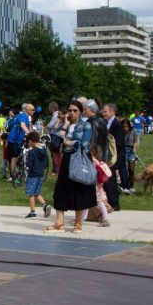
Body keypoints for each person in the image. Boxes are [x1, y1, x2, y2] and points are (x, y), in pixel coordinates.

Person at [44, 100, 96, 234]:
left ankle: (78, 223)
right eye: (70, 110)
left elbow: (83, 144)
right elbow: (54, 143)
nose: (72, 113)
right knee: (60, 191)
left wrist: (67, 141)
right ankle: (59, 223)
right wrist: (64, 127)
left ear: (80, 112)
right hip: (66, 160)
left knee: (79, 190)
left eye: (75, 110)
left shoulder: (86, 125)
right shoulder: (64, 124)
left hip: (79, 159)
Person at [24, 132, 50, 219]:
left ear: (31, 141)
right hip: (40, 174)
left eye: (28, 142)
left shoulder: (32, 152)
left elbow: (29, 165)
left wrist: (27, 160)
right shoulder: (44, 149)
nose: (28, 144)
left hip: (32, 175)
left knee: (30, 193)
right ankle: (45, 206)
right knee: (36, 192)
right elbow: (46, 163)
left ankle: (32, 212)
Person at [7, 103, 32, 183]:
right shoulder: (22, 116)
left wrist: (34, 135)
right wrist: (30, 135)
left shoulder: (26, 117)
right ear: (25, 110)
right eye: (32, 109)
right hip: (14, 140)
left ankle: (17, 175)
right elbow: (23, 125)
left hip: (18, 140)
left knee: (19, 158)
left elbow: (29, 127)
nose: (33, 111)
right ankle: (13, 177)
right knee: (14, 159)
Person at [122, 117, 139, 194]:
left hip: (131, 151)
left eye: (126, 126)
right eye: (124, 127)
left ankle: (131, 186)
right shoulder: (120, 132)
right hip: (123, 150)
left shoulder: (134, 131)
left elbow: (135, 141)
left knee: (131, 170)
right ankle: (125, 186)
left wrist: (135, 148)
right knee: (124, 170)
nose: (125, 128)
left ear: (129, 126)